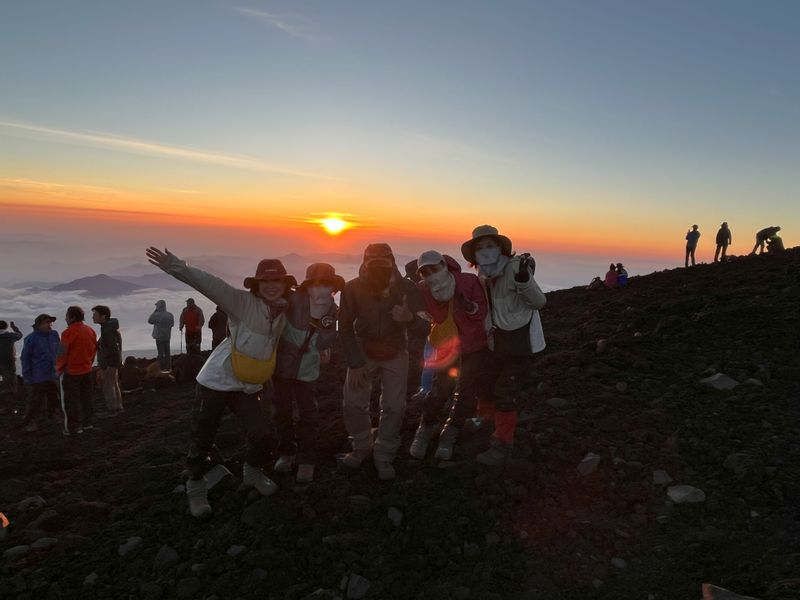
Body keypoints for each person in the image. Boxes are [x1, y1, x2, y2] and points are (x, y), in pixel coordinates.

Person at [147, 247, 293, 518]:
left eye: (277, 281)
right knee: (202, 436)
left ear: (285, 285)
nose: (272, 286)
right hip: (215, 380)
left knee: (261, 434)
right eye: (266, 281)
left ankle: (252, 471)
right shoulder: (242, 303)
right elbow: (208, 283)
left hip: (248, 385)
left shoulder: (285, 310)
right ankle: (195, 484)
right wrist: (173, 265)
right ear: (257, 285)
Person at [338, 243, 427, 480]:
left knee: (395, 406)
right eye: (372, 258)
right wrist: (354, 362)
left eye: (383, 258)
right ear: (364, 261)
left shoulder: (407, 288)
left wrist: (408, 319)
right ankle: (361, 447)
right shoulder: (353, 288)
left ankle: (384, 454)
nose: (378, 262)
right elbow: (344, 326)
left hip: (396, 350)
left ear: (392, 259)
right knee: (353, 403)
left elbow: (424, 326)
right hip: (363, 350)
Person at [461, 225, 547, 466]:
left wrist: (523, 280)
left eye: (490, 246)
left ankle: (502, 446)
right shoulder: (484, 275)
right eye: (480, 248)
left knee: (504, 393)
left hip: (520, 344)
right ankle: (485, 422)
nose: (486, 251)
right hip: (496, 342)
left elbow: (539, 302)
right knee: (485, 384)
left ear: (502, 249)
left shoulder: (515, 269)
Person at [409, 251, 489, 461]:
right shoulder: (423, 289)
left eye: (434, 268)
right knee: (440, 389)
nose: (431, 274)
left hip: (473, 345)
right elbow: (415, 305)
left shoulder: (468, 281)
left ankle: (450, 433)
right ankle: (425, 428)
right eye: (425, 271)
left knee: (466, 392)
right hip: (447, 347)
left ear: (444, 265)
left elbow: (481, 311)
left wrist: (469, 306)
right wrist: (418, 314)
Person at [273, 263, 343, 483]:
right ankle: (286, 452)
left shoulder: (331, 309)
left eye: (327, 284)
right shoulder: (292, 301)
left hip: (307, 369)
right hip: (282, 367)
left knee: (308, 414)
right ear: (308, 285)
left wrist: (321, 340)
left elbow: (327, 337)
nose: (322, 289)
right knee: (282, 411)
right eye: (317, 283)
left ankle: (306, 458)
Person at [56, 306, 98, 435]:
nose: (65, 318)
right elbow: (93, 349)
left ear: (72, 317)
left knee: (70, 401)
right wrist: (89, 364)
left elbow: (62, 354)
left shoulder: (67, 333)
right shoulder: (90, 330)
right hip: (87, 370)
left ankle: (73, 427)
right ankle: (88, 423)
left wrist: (58, 369)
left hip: (71, 373)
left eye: (67, 316)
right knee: (86, 398)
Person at [19, 315, 60, 432]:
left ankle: (52, 418)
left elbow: (59, 352)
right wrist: (27, 377)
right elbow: (25, 358)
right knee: (35, 401)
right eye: (47, 322)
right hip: (38, 376)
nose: (50, 325)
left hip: (53, 374)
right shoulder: (31, 338)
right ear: (38, 325)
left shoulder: (54, 335)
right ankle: (31, 422)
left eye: (51, 322)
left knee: (54, 398)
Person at [92, 305, 123, 416]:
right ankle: (118, 407)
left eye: (95, 314)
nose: (93, 317)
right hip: (112, 363)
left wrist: (109, 364)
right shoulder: (110, 328)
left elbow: (113, 349)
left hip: (109, 364)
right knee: (114, 384)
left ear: (103, 316)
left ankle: (112, 410)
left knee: (108, 386)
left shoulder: (107, 330)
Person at [0, 320, 23, 415]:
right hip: (8, 364)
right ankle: (9, 408)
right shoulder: (10, 336)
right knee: (10, 386)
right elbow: (19, 335)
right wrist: (14, 327)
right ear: (6, 327)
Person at [148, 300, 174, 371]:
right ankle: (168, 367)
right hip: (167, 336)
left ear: (158, 306)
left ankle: (161, 368)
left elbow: (149, 320)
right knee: (168, 353)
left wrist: (155, 311)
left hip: (159, 337)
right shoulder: (170, 315)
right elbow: (172, 324)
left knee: (161, 353)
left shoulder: (157, 315)